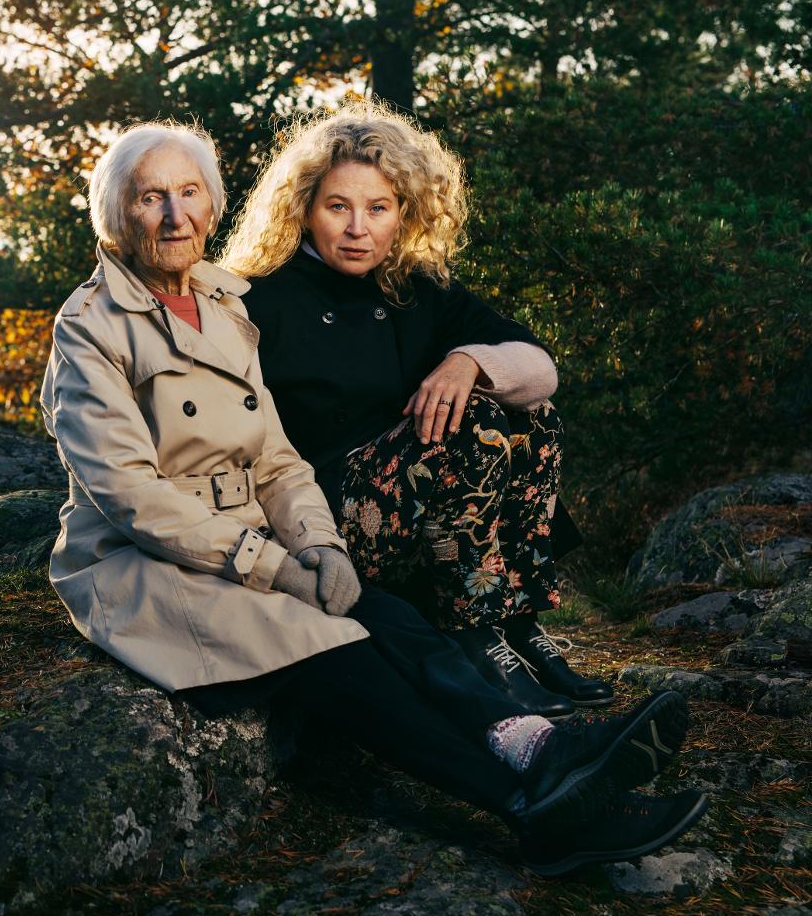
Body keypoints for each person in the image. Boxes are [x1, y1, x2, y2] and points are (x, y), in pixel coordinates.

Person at [41, 121, 705, 875]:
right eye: (150, 196)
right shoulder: (90, 325)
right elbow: (132, 496)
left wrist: (319, 543)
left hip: (255, 534)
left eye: (188, 193)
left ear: (211, 203)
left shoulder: (223, 307)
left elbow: (277, 458)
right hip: (147, 562)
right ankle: (527, 806)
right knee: (335, 655)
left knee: (387, 615)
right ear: (116, 211)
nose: (173, 215)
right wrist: (278, 567)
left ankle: (546, 748)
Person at [219, 102, 608, 718]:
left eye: (378, 208)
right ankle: (474, 633)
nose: (358, 229)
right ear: (303, 208)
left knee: (535, 417)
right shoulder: (260, 298)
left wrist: (468, 363)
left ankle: (519, 620)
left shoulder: (415, 287)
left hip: (421, 505)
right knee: (473, 428)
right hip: (326, 514)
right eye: (337, 207)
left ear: (405, 212)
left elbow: (540, 368)